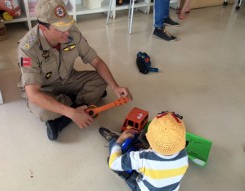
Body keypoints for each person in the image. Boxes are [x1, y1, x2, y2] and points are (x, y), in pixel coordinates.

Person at [17, 0, 132, 141]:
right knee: (43, 111)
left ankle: (63, 114)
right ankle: (74, 106)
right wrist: (72, 113)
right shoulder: (28, 47)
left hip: (69, 78)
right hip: (44, 88)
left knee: (103, 80)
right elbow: (33, 94)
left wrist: (115, 86)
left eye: (67, 23)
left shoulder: (72, 32)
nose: (67, 32)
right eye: (60, 28)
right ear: (43, 28)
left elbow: (95, 61)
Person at [99, 111, 189, 191]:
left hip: (144, 189)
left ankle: (112, 139)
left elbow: (114, 163)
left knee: (115, 162)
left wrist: (120, 140)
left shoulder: (144, 158)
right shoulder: (184, 154)